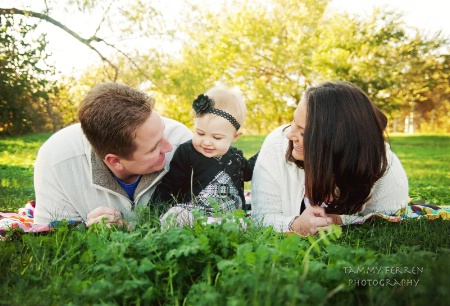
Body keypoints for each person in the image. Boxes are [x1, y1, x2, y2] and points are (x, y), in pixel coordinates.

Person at [251, 81, 409, 236]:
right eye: (293, 121)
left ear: (337, 144)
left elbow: (387, 223)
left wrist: (339, 220)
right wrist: (294, 224)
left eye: (304, 132)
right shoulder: (276, 146)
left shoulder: (385, 171)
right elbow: (261, 217)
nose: (290, 135)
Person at [33, 82, 192, 226]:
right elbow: (49, 234)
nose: (169, 146)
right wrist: (86, 231)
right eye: (153, 148)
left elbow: (209, 213)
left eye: (163, 133)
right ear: (115, 161)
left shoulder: (184, 143)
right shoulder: (57, 160)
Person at [153, 86, 257, 220]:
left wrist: (263, 153)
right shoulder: (187, 152)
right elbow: (170, 186)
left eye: (217, 137)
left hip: (229, 219)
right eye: (200, 133)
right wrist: (155, 211)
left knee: (241, 223)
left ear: (235, 136)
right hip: (195, 216)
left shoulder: (236, 156)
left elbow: (248, 172)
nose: (207, 142)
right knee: (177, 215)